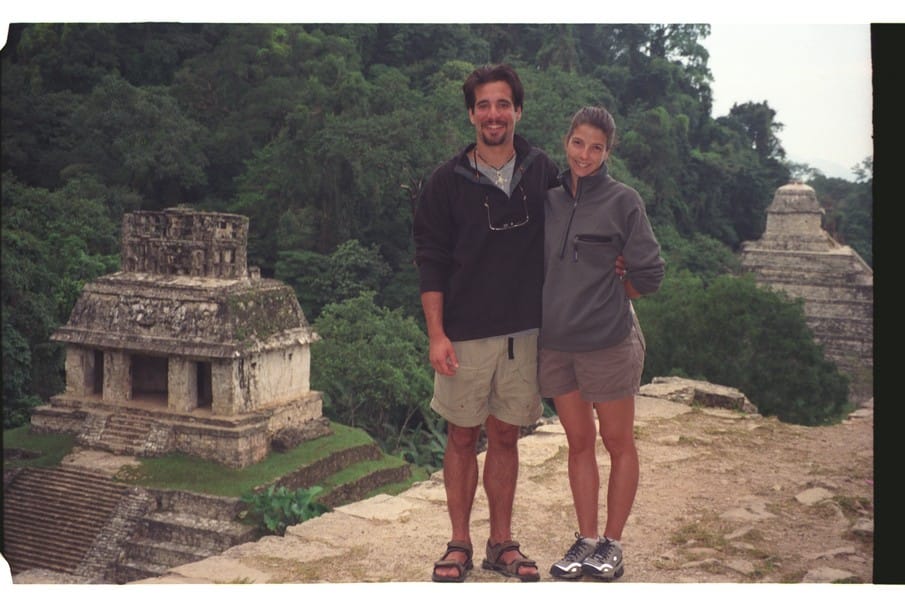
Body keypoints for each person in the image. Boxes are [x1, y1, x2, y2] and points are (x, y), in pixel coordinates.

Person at [413, 64, 560, 583]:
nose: (493, 115)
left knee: (505, 436)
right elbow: (431, 260)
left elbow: (577, 225)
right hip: (465, 331)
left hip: (524, 330)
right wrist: (437, 334)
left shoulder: (541, 171)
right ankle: (459, 542)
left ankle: (502, 543)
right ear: (471, 114)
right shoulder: (445, 182)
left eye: (502, 104)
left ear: (518, 110)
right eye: (483, 106)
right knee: (461, 436)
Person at [540, 106, 665, 581]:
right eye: (578, 143)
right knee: (578, 443)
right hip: (556, 343)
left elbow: (650, 272)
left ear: (608, 151)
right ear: (566, 141)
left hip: (608, 341)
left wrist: (620, 290)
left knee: (617, 442)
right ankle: (587, 540)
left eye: (596, 148)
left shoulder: (623, 201)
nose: (585, 155)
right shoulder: (549, 201)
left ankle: (613, 544)